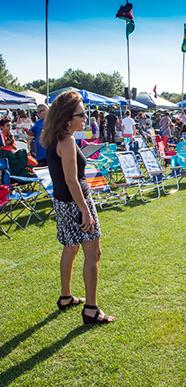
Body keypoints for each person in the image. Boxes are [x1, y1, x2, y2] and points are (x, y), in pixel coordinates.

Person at [40, 91, 115, 325]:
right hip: (76, 202)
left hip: (62, 202)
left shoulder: (53, 137)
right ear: (66, 117)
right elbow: (72, 179)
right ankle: (91, 309)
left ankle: (65, 297)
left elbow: (67, 174)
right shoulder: (67, 140)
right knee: (93, 254)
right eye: (81, 114)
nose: (85, 118)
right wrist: (85, 210)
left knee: (70, 248)